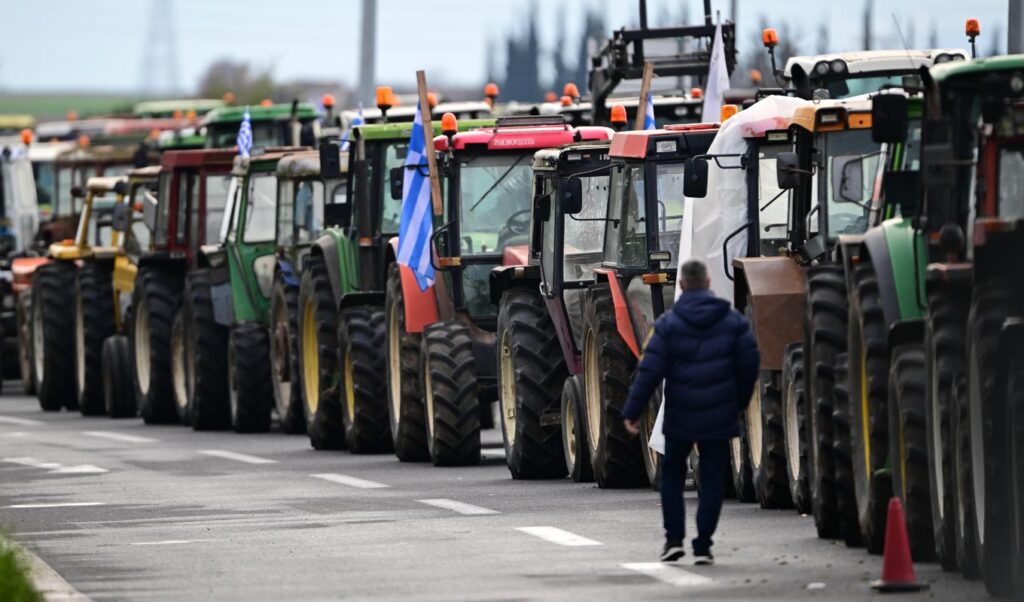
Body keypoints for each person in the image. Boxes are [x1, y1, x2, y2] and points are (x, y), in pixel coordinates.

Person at [622, 258, 759, 565]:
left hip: (680, 417)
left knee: (671, 476)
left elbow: (648, 373)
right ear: (708, 283)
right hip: (719, 416)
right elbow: (750, 364)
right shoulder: (733, 321)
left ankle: (673, 540)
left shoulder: (667, 325)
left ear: (681, 286)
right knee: (712, 480)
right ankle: (703, 544)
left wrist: (632, 411)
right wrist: (738, 403)